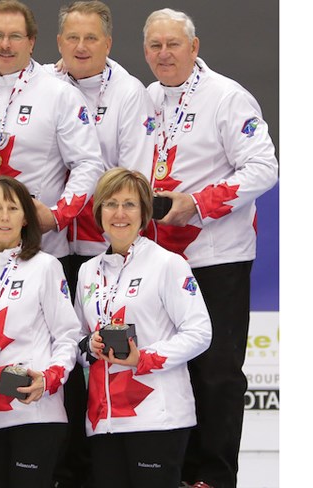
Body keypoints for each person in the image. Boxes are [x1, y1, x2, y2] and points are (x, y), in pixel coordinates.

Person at [142, 9, 279, 488]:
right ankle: (174, 473)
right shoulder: (145, 100)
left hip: (217, 257)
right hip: (159, 260)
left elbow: (263, 169)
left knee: (217, 373)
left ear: (194, 47)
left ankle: (215, 477)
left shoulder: (228, 96)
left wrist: (196, 203)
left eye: (173, 44)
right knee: (171, 369)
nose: (164, 53)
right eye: (155, 45)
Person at [48, 4, 156, 485]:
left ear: (108, 44)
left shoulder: (130, 92)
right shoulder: (42, 83)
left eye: (91, 38)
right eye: (72, 37)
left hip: (100, 252)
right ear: (58, 42)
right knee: (62, 359)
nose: (80, 47)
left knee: (100, 359)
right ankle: (63, 469)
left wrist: (109, 229)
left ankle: (98, 467)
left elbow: (132, 175)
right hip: (52, 247)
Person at [74, 167, 212, 488]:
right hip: (103, 421)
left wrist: (144, 358)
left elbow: (199, 332)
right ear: (99, 211)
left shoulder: (168, 264)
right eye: (110, 203)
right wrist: (89, 346)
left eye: (130, 204)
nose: (119, 213)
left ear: (144, 213)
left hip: (157, 417)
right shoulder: (87, 272)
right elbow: (78, 342)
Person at [0, 0, 105, 263]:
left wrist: (57, 216)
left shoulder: (60, 93)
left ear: (31, 42)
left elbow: (88, 163)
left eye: (15, 36)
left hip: (42, 250)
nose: (5, 44)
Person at [0, 175, 80, 488]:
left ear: (25, 217)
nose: (4, 216)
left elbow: (68, 336)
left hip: (34, 411)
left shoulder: (45, 266)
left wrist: (50, 378)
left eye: (13, 208)